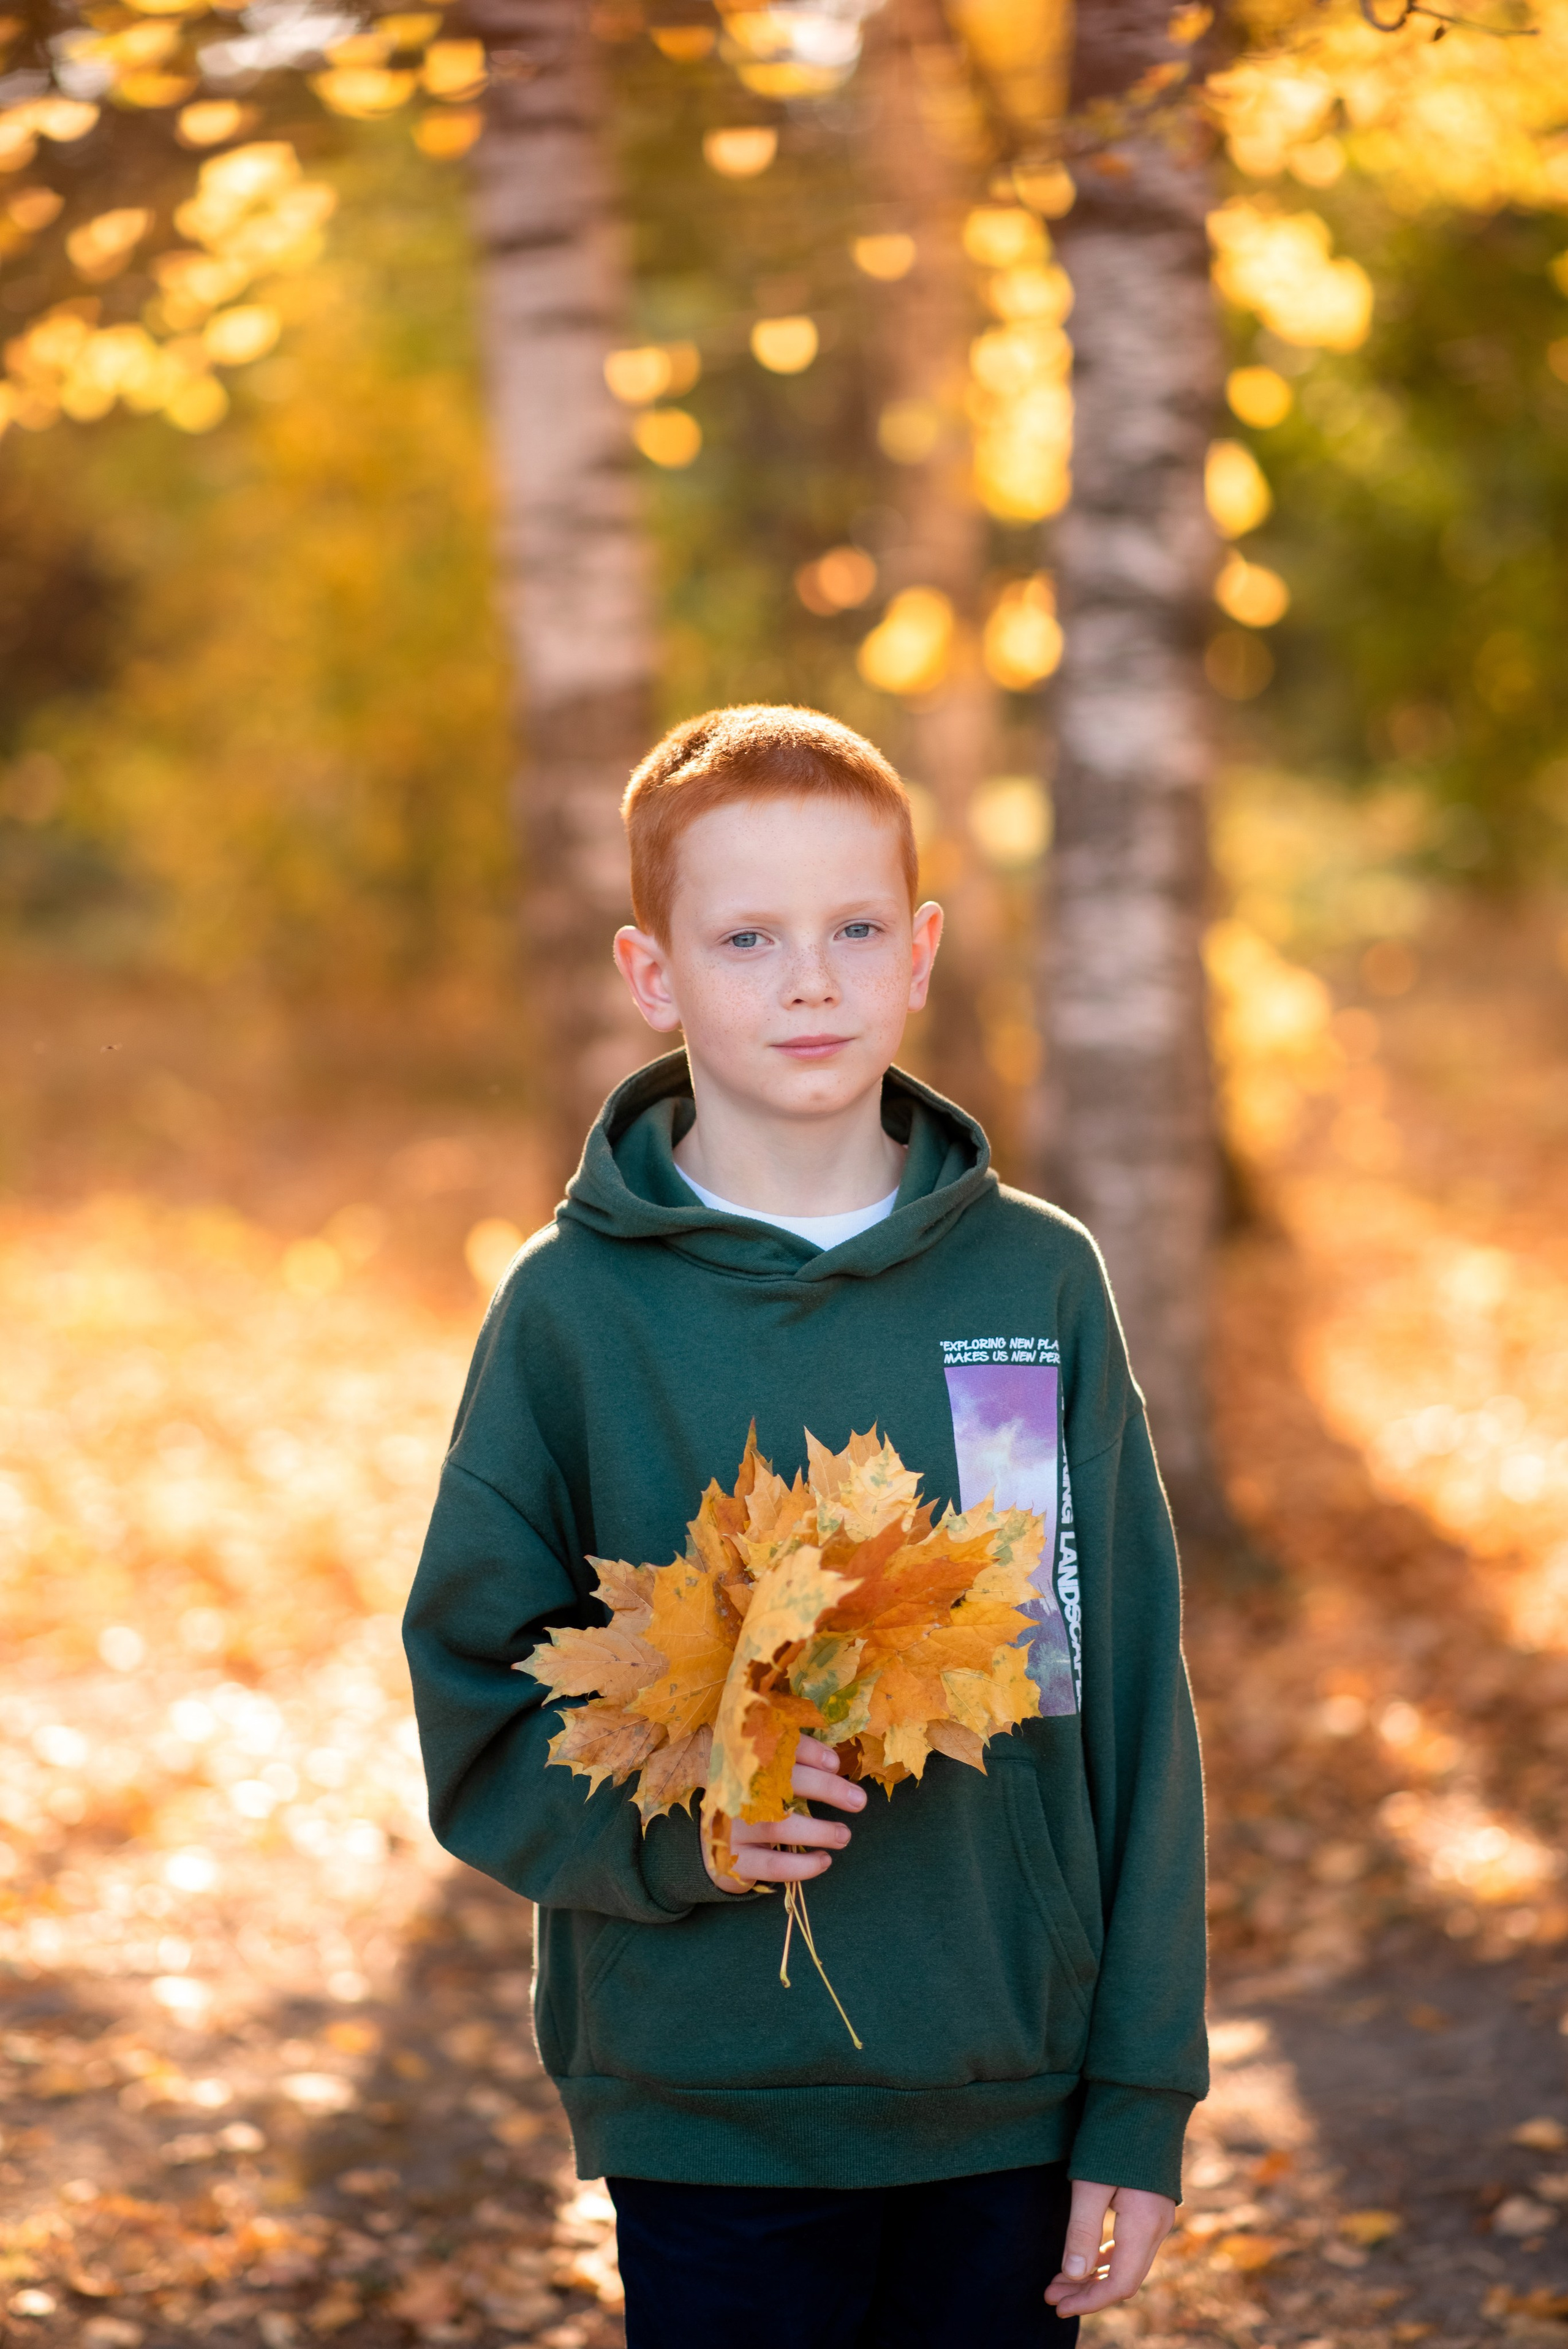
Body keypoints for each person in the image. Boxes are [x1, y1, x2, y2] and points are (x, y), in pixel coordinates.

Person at [402, 705, 1208, 2349]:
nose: (810, 980)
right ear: (654, 973)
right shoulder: (572, 1315)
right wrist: (674, 1821)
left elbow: (1127, 1691)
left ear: (919, 952)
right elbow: (475, 1694)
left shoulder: (1035, 1282)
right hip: (706, 2099)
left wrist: (1137, 2094)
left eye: (852, 930)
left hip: (1009, 2084)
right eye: (748, 938)